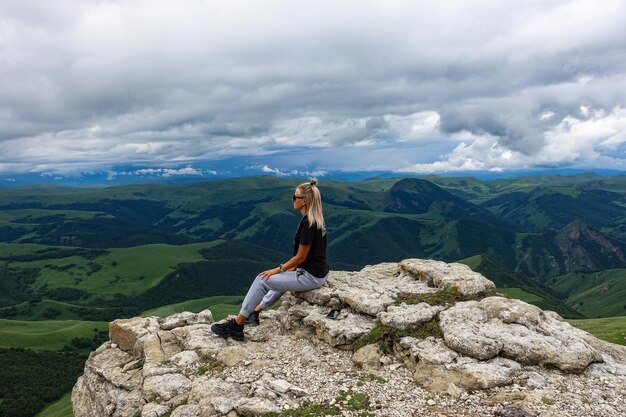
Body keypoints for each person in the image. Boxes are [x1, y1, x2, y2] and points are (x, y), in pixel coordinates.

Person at [211, 178, 329, 341]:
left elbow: (301, 256)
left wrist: (279, 269)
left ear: (304, 201)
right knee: (282, 277)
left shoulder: (308, 223)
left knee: (262, 279)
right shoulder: (316, 220)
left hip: (309, 276)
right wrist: (289, 269)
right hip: (318, 273)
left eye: (295, 197)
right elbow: (311, 254)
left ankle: (237, 325)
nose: (293, 200)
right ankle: (256, 311)